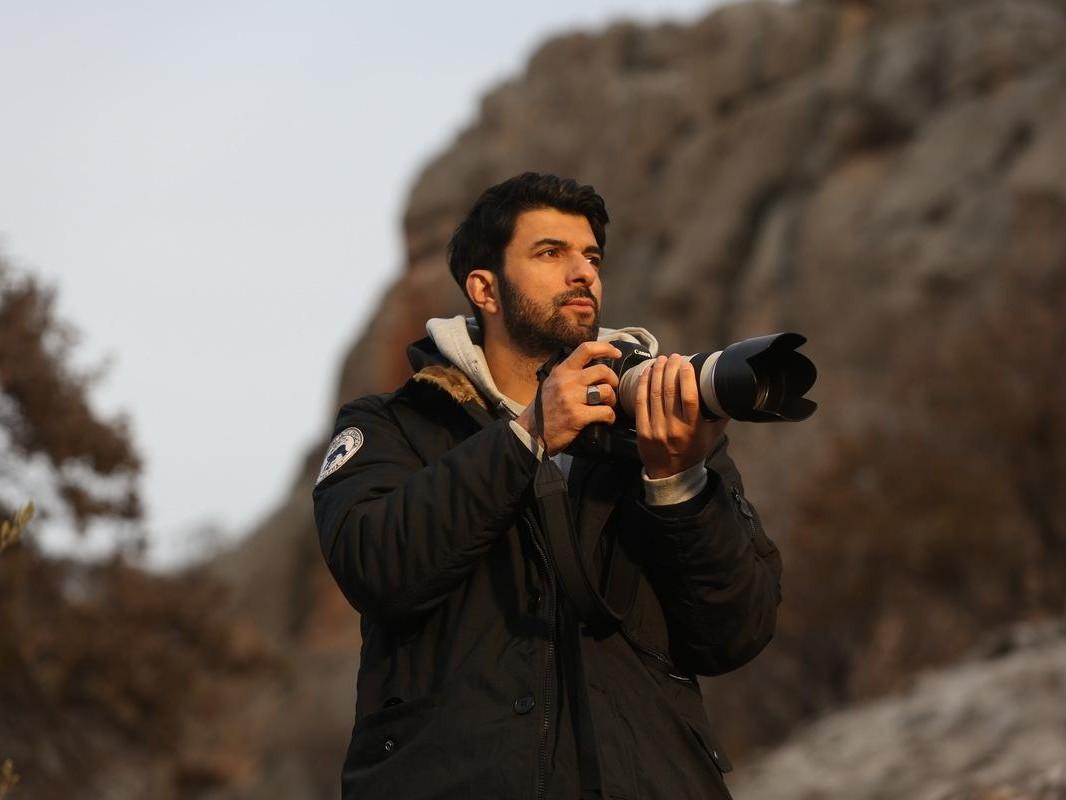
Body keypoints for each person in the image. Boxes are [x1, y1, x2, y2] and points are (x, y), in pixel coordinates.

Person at [313, 172, 782, 800]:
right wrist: (527, 436)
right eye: (550, 252)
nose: (582, 272)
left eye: (592, 256)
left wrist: (678, 484)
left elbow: (735, 633)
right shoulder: (394, 426)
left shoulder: (656, 428)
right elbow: (375, 565)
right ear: (485, 288)